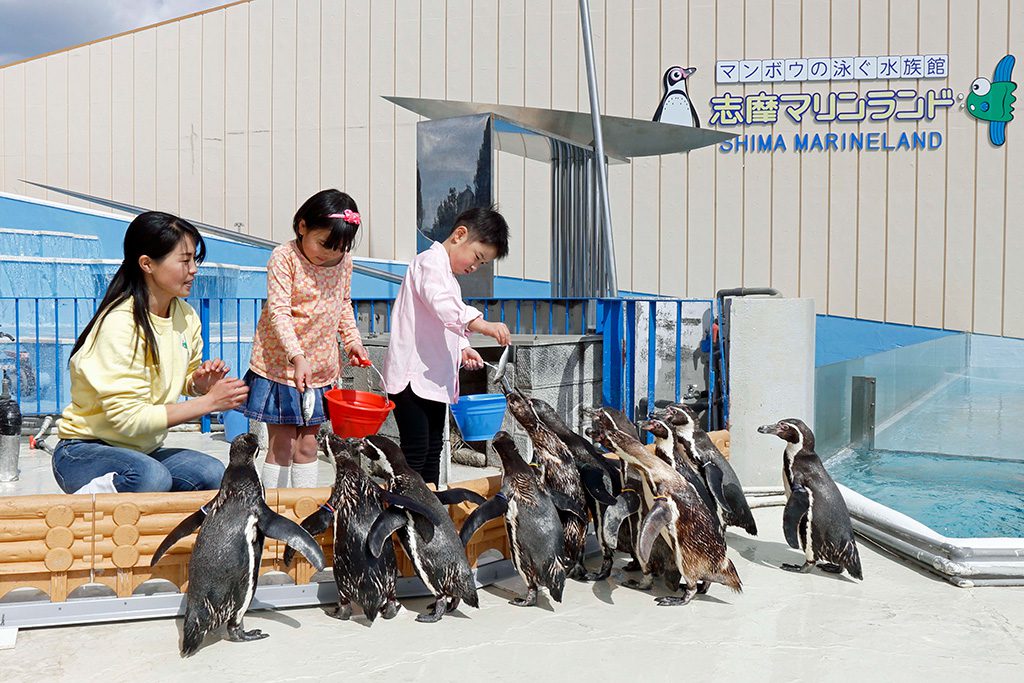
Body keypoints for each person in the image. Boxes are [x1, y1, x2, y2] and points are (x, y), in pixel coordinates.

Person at [53, 212, 249, 494]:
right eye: (184, 260)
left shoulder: (186, 316)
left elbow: (185, 377)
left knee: (212, 473)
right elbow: (127, 419)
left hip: (142, 451)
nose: (193, 269)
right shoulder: (120, 323)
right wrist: (208, 403)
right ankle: (79, 509)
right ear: (147, 264)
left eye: (195, 259)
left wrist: (199, 384)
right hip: (84, 451)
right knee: (149, 477)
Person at [241, 189, 369, 488]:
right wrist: (297, 356)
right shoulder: (284, 257)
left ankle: (302, 512)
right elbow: (279, 313)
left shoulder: (344, 262)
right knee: (282, 445)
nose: (331, 254)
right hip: (283, 368)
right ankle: (272, 511)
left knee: (309, 446)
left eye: (340, 247)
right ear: (302, 226)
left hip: (320, 369)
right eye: (325, 244)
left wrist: (352, 341)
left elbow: (343, 304)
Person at [382, 206, 512, 486]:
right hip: (413, 378)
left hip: (434, 379)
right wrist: (483, 324)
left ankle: (430, 505)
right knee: (416, 452)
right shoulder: (428, 262)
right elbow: (442, 306)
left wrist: (463, 347)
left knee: (433, 450)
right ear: (459, 235)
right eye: (477, 257)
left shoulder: (448, 278)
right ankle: (410, 509)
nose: (474, 267)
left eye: (482, 264)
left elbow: (445, 322)